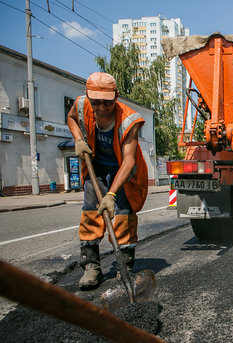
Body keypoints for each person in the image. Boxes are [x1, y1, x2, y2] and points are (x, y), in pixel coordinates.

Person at [67, 72, 148, 290]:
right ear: (88, 96)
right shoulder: (82, 104)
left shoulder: (130, 119)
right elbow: (72, 118)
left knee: (123, 215)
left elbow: (129, 161)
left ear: (116, 97)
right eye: (96, 103)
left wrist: (111, 194)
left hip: (122, 171)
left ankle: (125, 268)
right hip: (96, 169)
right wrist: (78, 140)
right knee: (91, 213)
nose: (102, 108)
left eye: (107, 102)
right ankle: (91, 267)